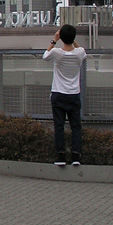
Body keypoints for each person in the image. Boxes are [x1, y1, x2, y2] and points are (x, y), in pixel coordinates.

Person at [43, 24, 87, 166]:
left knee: (59, 126)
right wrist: (73, 41)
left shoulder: (57, 52)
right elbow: (82, 52)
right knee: (76, 127)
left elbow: (45, 56)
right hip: (74, 94)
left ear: (61, 37)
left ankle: (60, 157)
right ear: (73, 37)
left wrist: (54, 40)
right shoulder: (80, 52)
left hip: (58, 93)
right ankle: (76, 156)